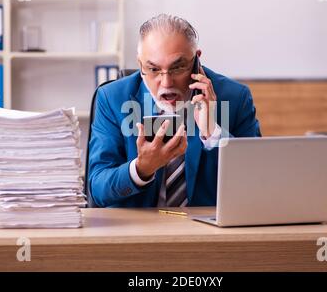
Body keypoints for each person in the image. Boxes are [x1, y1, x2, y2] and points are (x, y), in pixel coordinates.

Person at [88, 14, 261, 207]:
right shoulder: (112, 99)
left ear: (197, 60)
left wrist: (213, 133)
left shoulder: (235, 97)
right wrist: (142, 169)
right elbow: (97, 189)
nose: (166, 82)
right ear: (140, 64)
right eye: (153, 69)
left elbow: (256, 182)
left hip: (208, 232)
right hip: (138, 232)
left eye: (178, 68)